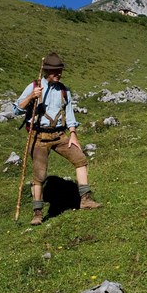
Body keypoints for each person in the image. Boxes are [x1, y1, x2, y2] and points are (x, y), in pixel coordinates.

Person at [14, 52, 101, 225]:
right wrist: (31, 97)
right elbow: (17, 109)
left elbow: (69, 114)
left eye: (59, 71)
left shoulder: (64, 90)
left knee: (81, 159)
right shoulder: (34, 86)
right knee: (40, 175)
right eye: (54, 71)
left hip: (59, 134)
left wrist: (73, 134)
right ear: (46, 71)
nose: (58, 74)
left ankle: (85, 200)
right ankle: (37, 213)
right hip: (39, 136)